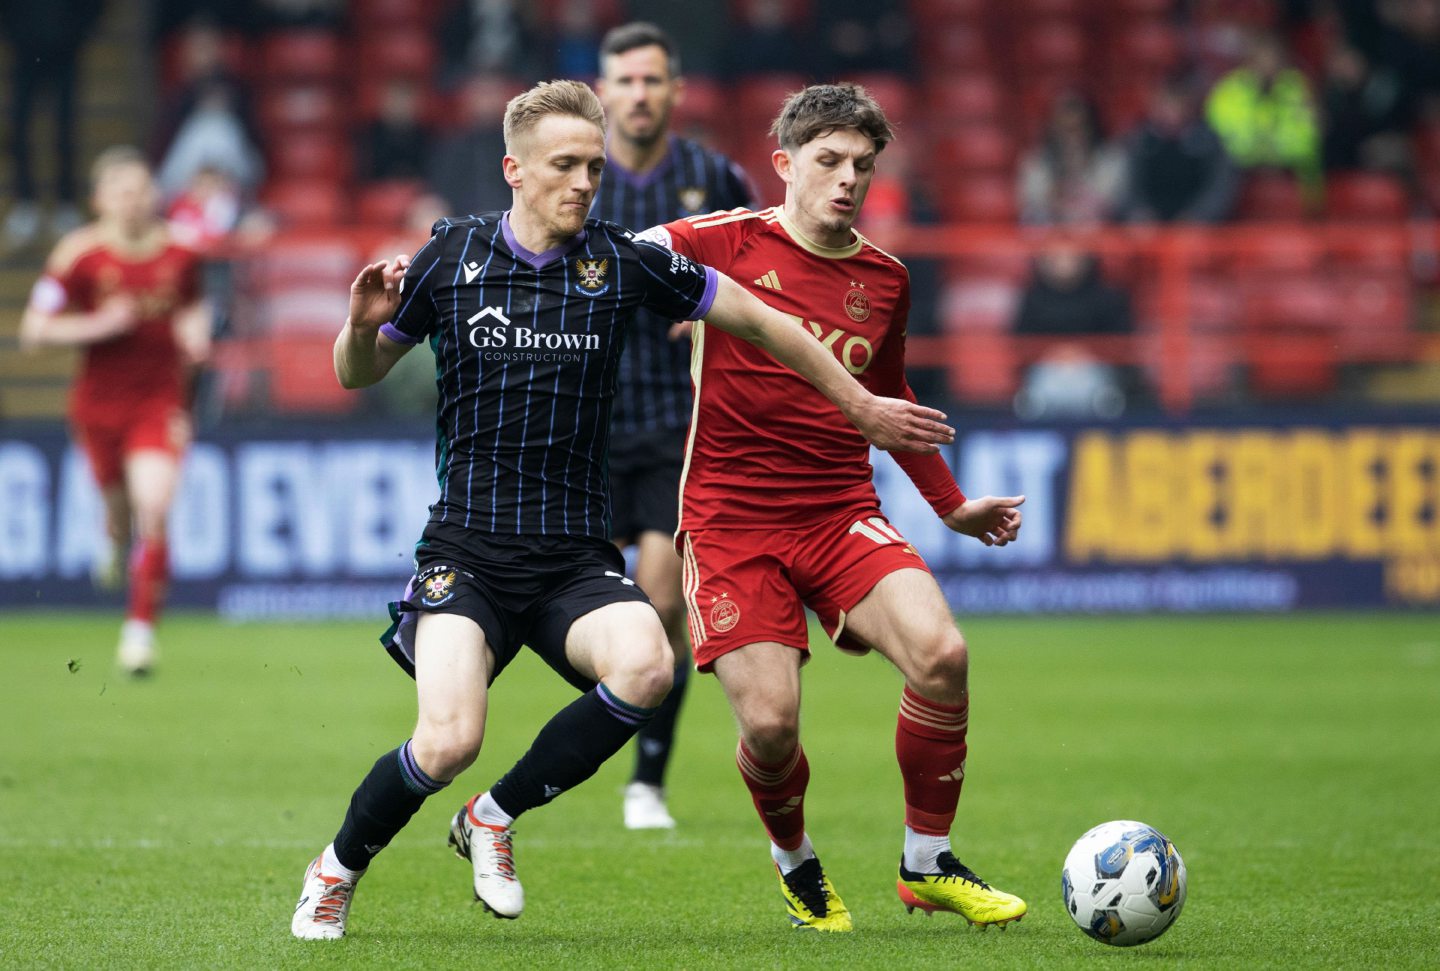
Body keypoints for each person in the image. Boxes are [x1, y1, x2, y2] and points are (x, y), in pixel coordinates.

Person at [289, 79, 952, 941]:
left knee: (648, 665)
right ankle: (336, 867)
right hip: (469, 551)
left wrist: (859, 404)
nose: (584, 183)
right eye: (564, 166)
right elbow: (359, 372)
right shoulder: (449, 257)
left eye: (594, 169)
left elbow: (768, 321)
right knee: (448, 739)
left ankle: (493, 816)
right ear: (514, 170)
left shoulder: (620, 262)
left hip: (574, 555)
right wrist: (358, 326)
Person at [636, 83, 1028, 931]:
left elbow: (888, 399)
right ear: (785, 164)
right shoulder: (717, 241)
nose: (848, 179)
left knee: (943, 653)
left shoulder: (885, 280)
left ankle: (926, 861)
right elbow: (610, 260)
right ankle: (795, 859)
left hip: (838, 508)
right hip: (731, 522)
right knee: (772, 726)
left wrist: (952, 506)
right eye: (829, 161)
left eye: (863, 165)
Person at [591, 21, 756, 831]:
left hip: (674, 423)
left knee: (659, 603)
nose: (640, 94)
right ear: (604, 90)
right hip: (580, 423)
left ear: (675, 89)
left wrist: (717, 313)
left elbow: (766, 271)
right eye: (625, 80)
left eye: (653, 80)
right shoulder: (580, 177)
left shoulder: (711, 175)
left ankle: (645, 779)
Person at [19, 146, 211, 675]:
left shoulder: (181, 252)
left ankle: (140, 633)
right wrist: (98, 325)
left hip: (159, 401)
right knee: (122, 515)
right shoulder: (78, 254)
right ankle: (113, 538)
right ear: (100, 199)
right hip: (98, 406)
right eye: (122, 192)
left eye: (142, 190)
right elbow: (34, 330)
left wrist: (195, 341)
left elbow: (194, 309)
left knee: (155, 507)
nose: (134, 201)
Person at [1017, 89, 1129, 226]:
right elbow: (1035, 202)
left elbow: (1109, 203)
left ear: (1091, 127)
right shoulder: (1037, 161)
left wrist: (1081, 164)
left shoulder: (1111, 158)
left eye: (1078, 127)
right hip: (1051, 238)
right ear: (1053, 129)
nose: (1072, 137)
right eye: (1065, 128)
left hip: (1097, 237)